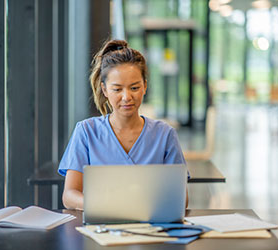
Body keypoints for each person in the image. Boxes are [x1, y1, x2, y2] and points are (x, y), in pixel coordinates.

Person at [58, 39, 187, 210]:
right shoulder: (86, 132)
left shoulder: (165, 135)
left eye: (134, 88)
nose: (126, 97)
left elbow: (180, 199)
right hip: (101, 228)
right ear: (104, 90)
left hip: (151, 229)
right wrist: (105, 206)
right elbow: (69, 195)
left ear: (145, 87)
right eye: (117, 89)